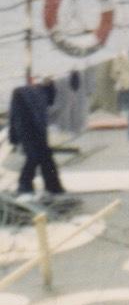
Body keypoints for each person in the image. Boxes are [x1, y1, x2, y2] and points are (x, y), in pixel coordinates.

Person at [7, 80, 71, 210]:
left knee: (44, 156)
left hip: (37, 123)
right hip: (26, 122)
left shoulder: (42, 88)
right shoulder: (21, 91)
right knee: (35, 156)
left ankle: (51, 186)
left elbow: (49, 101)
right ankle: (26, 186)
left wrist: (48, 85)